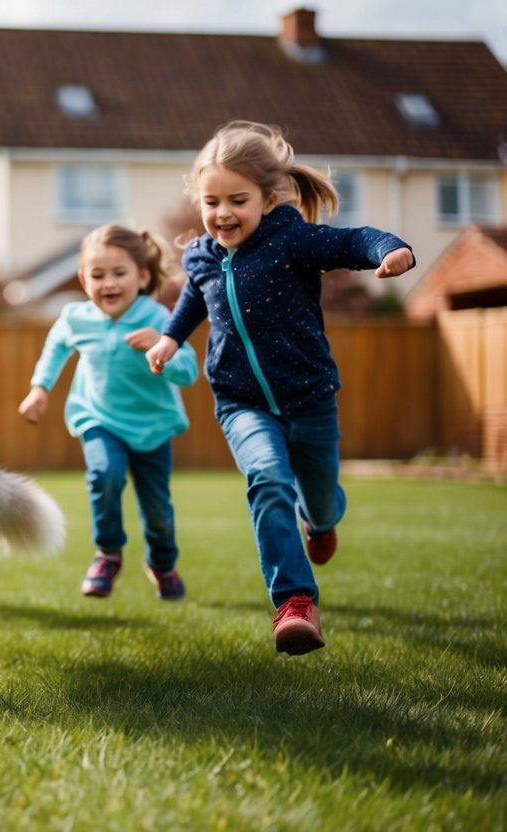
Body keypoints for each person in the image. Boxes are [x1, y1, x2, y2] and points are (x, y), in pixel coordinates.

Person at [145, 120, 414, 655]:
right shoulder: (201, 255)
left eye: (236, 200)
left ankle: (322, 518)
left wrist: (393, 248)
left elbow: (354, 239)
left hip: (310, 396)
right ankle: (294, 603)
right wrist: (171, 339)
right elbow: (196, 299)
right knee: (268, 479)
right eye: (210, 201)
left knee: (317, 497)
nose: (222, 213)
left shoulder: (293, 240)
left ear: (268, 199)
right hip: (239, 401)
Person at [19, 224, 198, 602]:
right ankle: (108, 553)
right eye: (98, 275)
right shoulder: (76, 317)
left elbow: (189, 371)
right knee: (104, 475)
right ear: (84, 279)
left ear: (142, 276)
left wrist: (161, 349)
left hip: (153, 426)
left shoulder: (158, 317)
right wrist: (40, 388)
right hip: (98, 418)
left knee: (158, 510)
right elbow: (56, 347)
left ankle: (163, 564)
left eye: (119, 273)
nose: (109, 283)